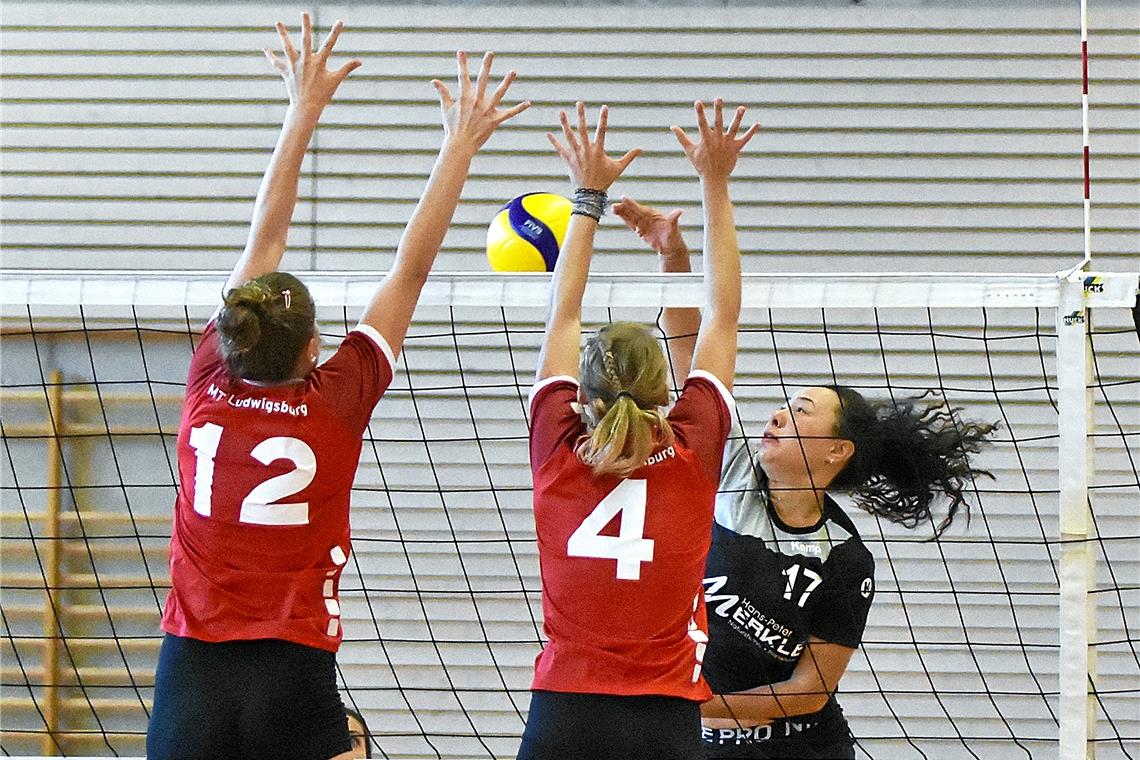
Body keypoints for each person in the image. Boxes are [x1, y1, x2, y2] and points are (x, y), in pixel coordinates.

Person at [145, 14, 529, 760]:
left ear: (234, 331)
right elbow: (408, 271)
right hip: (292, 663)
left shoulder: (209, 377)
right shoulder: (336, 398)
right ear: (316, 345)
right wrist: (460, 145)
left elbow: (265, 237)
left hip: (190, 661)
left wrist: (302, 107)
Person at [614, 196, 999, 759]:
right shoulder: (731, 472)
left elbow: (808, 692)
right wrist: (672, 255)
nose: (777, 414)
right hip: (702, 746)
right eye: (784, 405)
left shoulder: (845, 558)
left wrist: (682, 702)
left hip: (800, 749)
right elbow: (687, 353)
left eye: (800, 411)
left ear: (835, 451)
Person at [517, 99, 759, 760]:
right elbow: (724, 314)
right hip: (662, 721)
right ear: (664, 389)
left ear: (582, 392)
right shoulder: (694, 445)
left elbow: (560, 318)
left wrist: (586, 198)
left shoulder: (556, 450)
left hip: (564, 712)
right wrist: (715, 182)